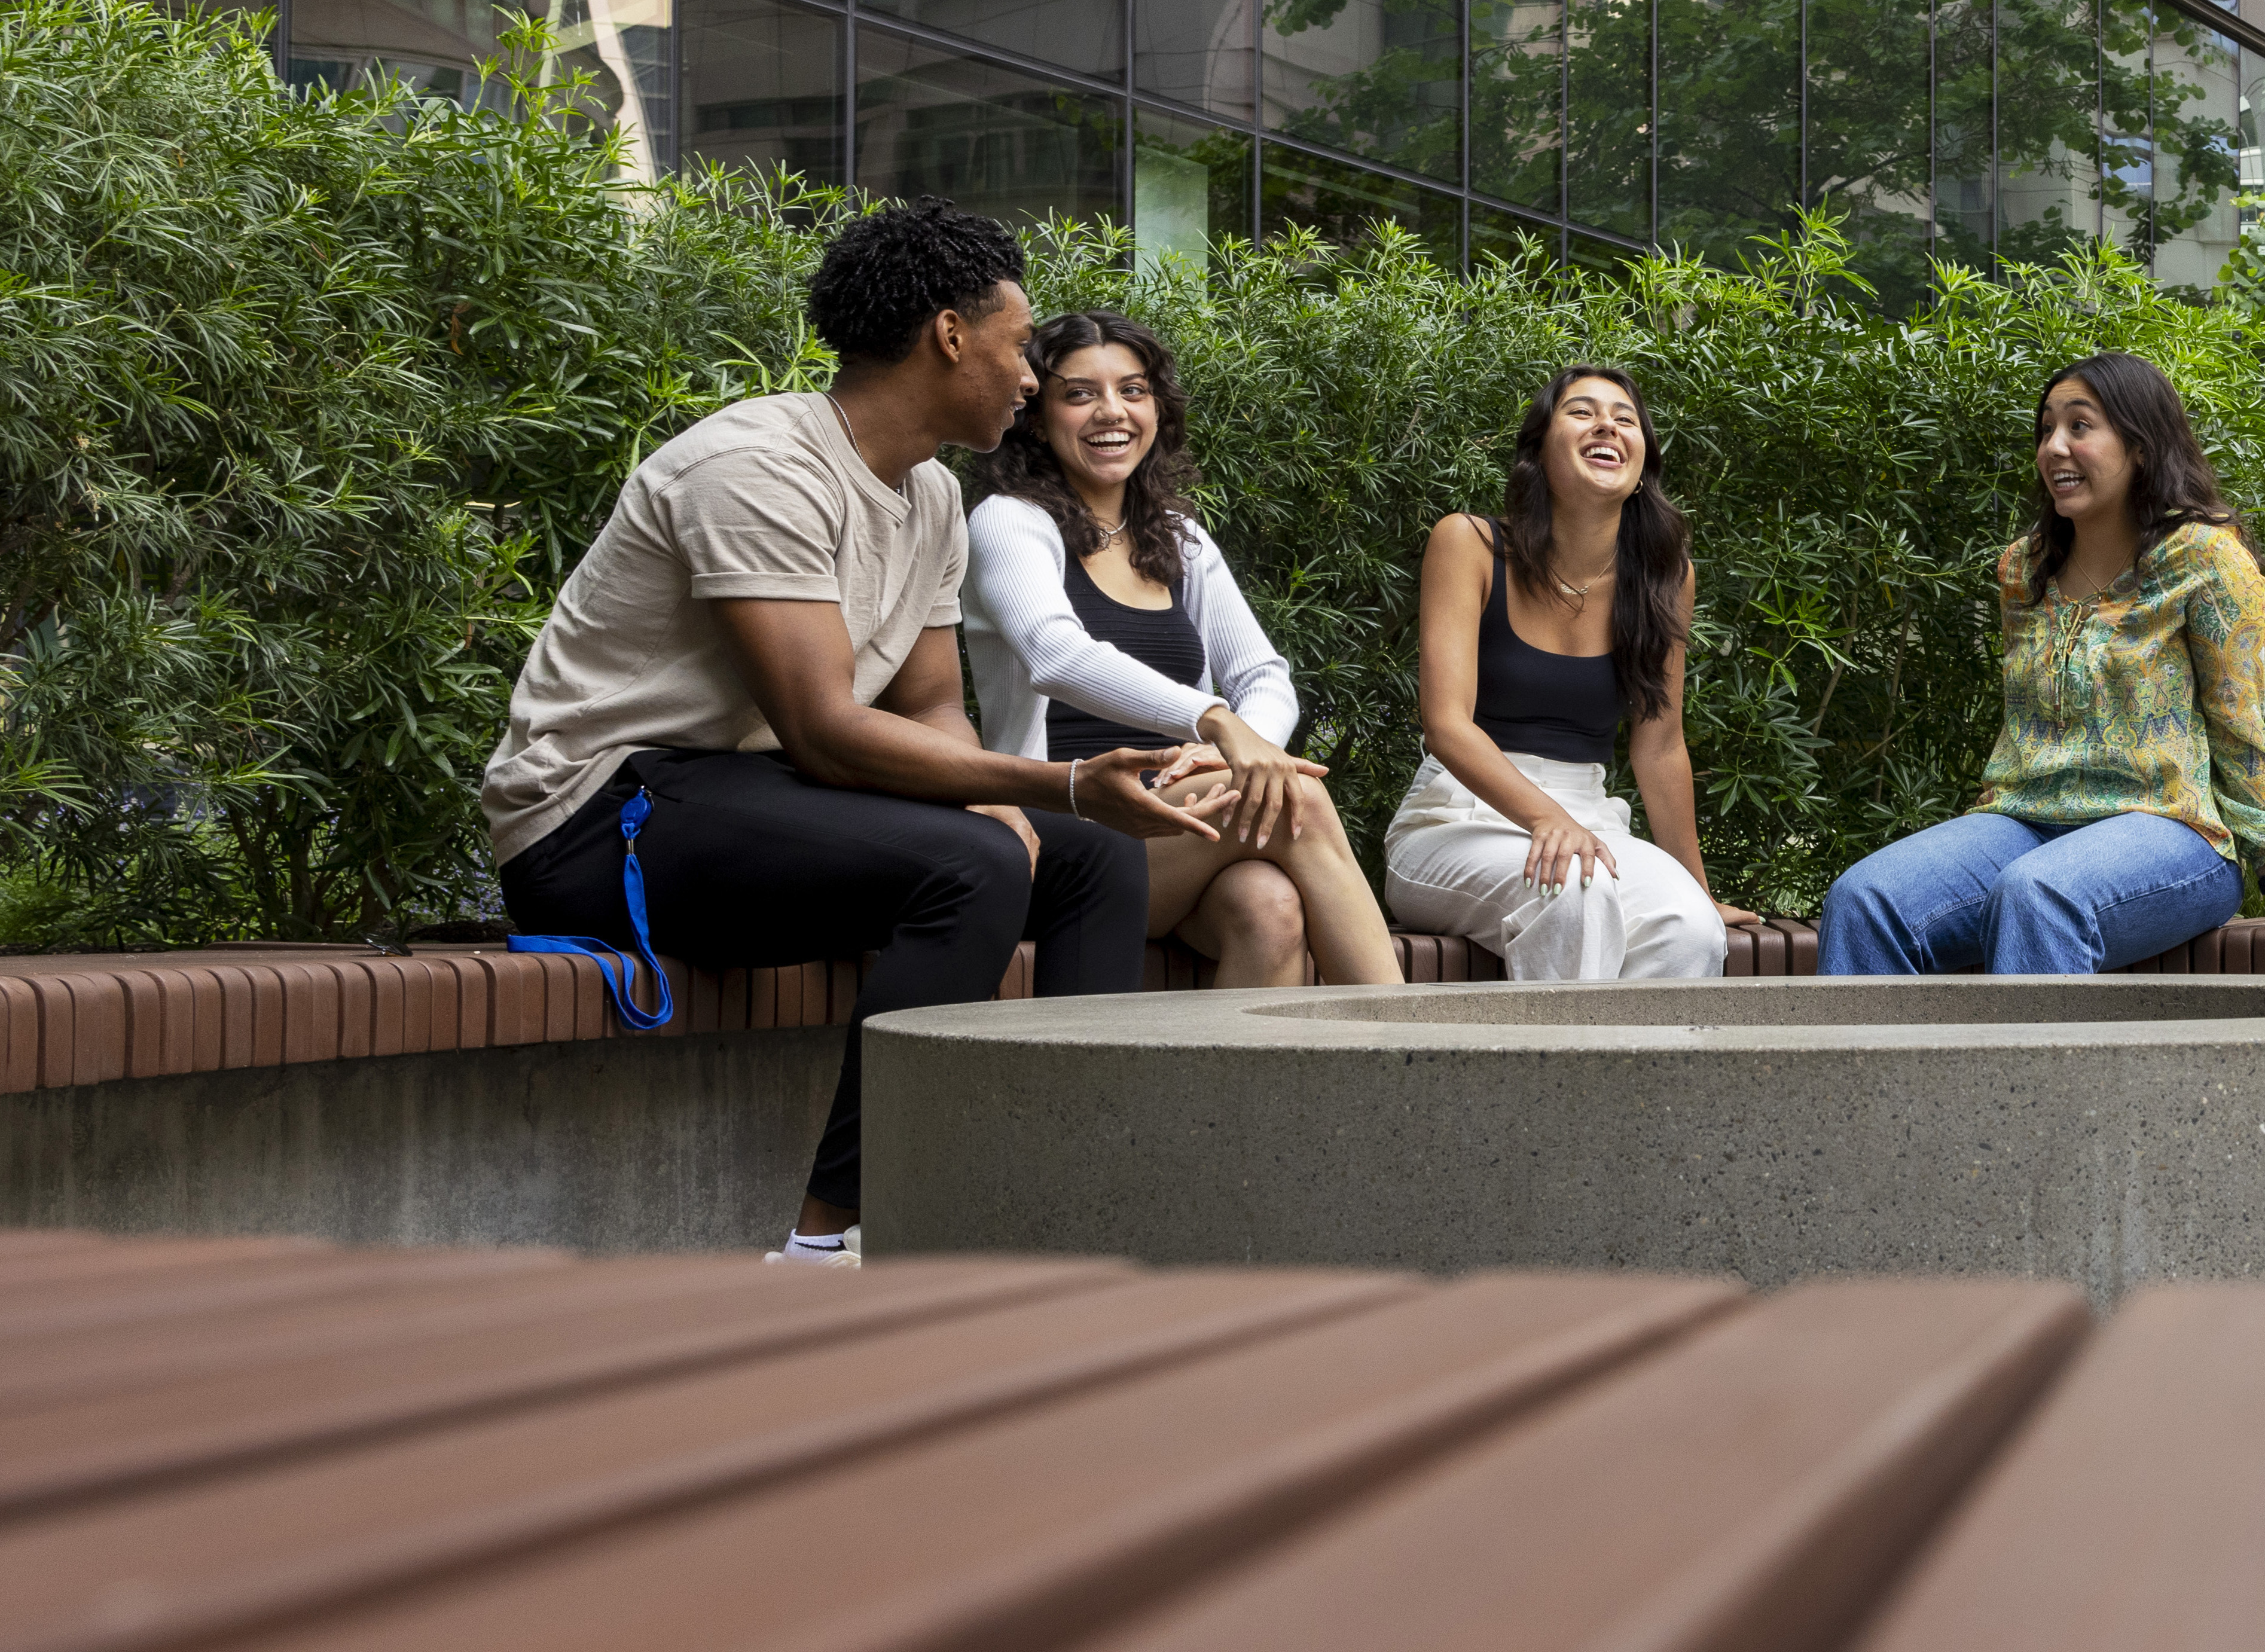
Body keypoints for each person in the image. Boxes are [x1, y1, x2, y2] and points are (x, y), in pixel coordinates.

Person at [484, 199, 1225, 1269]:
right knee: (973, 864)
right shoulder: (754, 465)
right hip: (601, 818)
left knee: (1092, 858)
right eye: (1020, 346)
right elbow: (827, 730)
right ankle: (825, 1241)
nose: (1028, 378)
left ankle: (1069, 1202)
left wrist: (1010, 801)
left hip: (750, 797)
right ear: (949, 333)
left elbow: (928, 704)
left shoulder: (926, 493)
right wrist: (1052, 784)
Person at [1820, 351, 2265, 976]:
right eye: (2046, 430)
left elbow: (2239, 726)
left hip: (2171, 832)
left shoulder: (2205, 559)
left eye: (2079, 427)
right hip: (2022, 820)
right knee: (1863, 899)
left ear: (2140, 446)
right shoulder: (2024, 569)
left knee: (2037, 895)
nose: (2054, 447)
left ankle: (2028, 1078)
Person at [966, 311, 1403, 991]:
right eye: (1079, 394)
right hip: (1068, 835)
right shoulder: (1010, 521)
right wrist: (1216, 725)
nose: (1111, 411)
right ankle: (1414, 1055)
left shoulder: (1178, 538)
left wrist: (1234, 750)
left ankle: (1233, 1101)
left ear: (1157, 408)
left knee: (1270, 908)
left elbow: (1263, 675)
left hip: (1176, 825)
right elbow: (1054, 654)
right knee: (1303, 803)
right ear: (1037, 415)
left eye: (1133, 390)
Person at [1379, 366, 1744, 979]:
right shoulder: (1469, 544)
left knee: (1689, 929)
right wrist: (1547, 817)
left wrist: (1697, 887)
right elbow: (1445, 724)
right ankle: (1549, 1076)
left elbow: (1659, 747)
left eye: (1625, 419)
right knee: (1574, 891)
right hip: (1453, 820)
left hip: (1590, 823)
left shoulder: (1665, 578)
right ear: (1538, 451)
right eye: (1581, 411)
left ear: (1641, 466)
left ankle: (1629, 1078)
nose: (1607, 423)